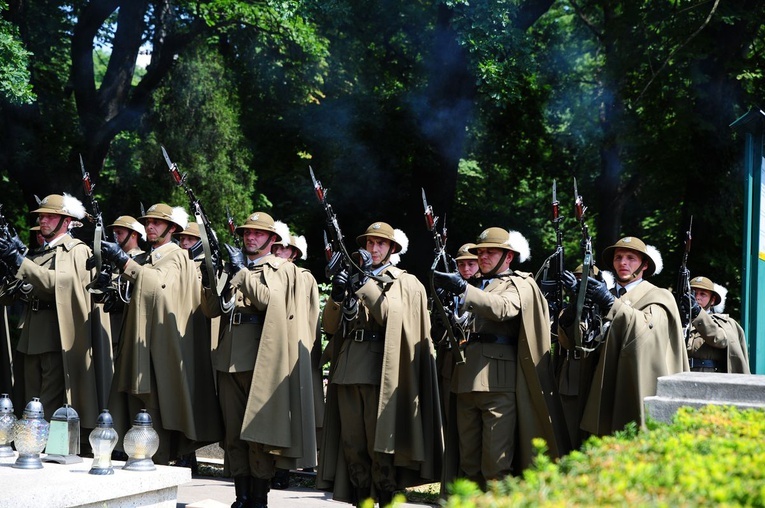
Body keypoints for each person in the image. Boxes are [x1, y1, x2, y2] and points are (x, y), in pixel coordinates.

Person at [317, 221, 442, 506]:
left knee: (381, 447)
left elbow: (392, 317)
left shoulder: (404, 281)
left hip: (381, 371)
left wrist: (363, 285)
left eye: (380, 244)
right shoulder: (353, 275)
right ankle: (362, 500)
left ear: (392, 249)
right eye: (370, 243)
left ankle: (387, 499)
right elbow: (331, 327)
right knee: (353, 447)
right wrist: (337, 298)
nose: (373, 248)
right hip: (348, 369)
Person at [433, 227, 568, 489]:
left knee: (496, 463)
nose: (482, 257)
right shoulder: (473, 284)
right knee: (468, 461)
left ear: (508, 256)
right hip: (465, 378)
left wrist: (463, 289)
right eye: (480, 252)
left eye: (490, 252)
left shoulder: (518, 283)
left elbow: (504, 309)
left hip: (499, 383)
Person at [203, 212, 316, 508]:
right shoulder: (238, 266)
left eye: (257, 233)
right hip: (229, 356)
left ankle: (258, 498)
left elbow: (270, 302)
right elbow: (211, 309)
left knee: (257, 433)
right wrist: (211, 274)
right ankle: (240, 496)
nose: (250, 237)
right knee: (234, 433)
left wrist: (241, 273)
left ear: (272, 239)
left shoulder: (280, 268)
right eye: (247, 233)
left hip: (259, 359)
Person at [102, 203, 222, 465]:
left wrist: (123, 261)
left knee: (155, 413)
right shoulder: (148, 258)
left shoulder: (177, 256)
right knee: (136, 411)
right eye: (147, 223)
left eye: (156, 222)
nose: (150, 227)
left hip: (159, 350)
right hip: (138, 345)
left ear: (173, 228)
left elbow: (157, 286)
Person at [0, 193, 112, 430]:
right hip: (31, 335)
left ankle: (46, 447)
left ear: (67, 221)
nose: (43, 220)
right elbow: (13, 293)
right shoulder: (39, 252)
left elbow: (59, 283)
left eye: (51, 216)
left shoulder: (76, 250)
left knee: (49, 402)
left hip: (56, 335)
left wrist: (19, 261)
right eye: (41, 216)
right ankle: (29, 445)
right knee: (29, 400)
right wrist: (9, 268)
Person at [560, 236, 688, 437]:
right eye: (618, 257)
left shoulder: (658, 295)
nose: (623, 263)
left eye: (631, 258)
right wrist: (575, 308)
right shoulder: (604, 293)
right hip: (599, 384)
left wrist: (611, 304)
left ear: (645, 265)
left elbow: (647, 332)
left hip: (632, 383)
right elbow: (579, 342)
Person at [682, 275, 749, 374]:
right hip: (681, 376)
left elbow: (721, 340)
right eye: (693, 293)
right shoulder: (680, 319)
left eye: (703, 294)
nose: (697, 298)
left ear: (712, 300)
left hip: (711, 378)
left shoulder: (723, 322)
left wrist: (698, 313)